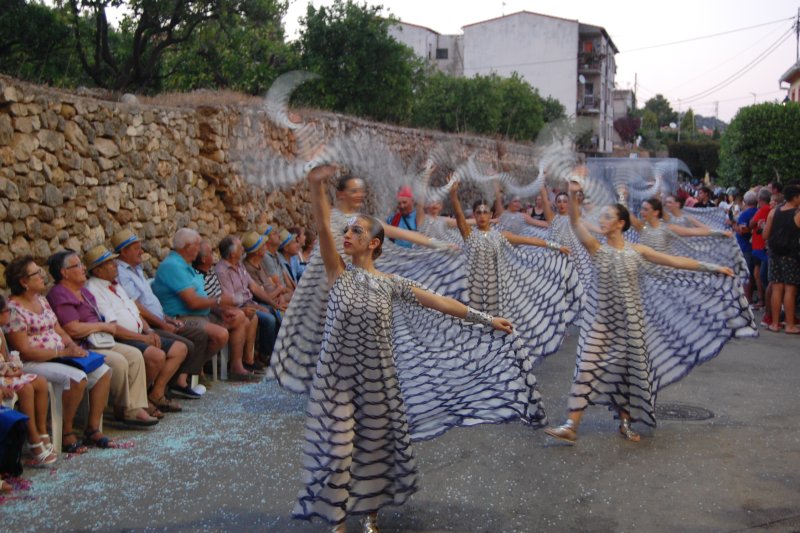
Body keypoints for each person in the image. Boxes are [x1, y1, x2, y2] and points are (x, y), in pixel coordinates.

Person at [291, 165, 541, 532]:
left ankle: (372, 511)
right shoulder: (337, 274)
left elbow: (442, 304)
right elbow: (321, 221)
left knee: (376, 449)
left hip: (378, 378)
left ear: (373, 243)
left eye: (355, 231)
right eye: (346, 230)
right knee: (340, 449)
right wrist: (316, 185)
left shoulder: (392, 284)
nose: (346, 235)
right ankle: (339, 520)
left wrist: (487, 320)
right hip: (337, 380)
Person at [544, 179, 755, 444]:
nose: (602, 220)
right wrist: (573, 198)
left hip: (631, 323)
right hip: (601, 323)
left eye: (607, 217)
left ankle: (624, 422)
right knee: (585, 368)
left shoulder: (637, 251)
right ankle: (570, 425)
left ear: (620, 224)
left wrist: (713, 268)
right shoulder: (597, 249)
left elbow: (674, 261)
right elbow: (575, 224)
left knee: (627, 374)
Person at [448, 180, 581, 358]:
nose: (481, 216)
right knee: (475, 319)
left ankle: (499, 354)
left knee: (496, 319)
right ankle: (475, 354)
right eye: (478, 213)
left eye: (485, 212)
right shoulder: (469, 234)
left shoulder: (500, 236)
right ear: (474, 215)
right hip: (474, 286)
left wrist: (554, 247)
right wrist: (453, 195)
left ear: (491, 214)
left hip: (496, 285)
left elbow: (529, 241)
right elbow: (458, 216)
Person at [4, 256, 114, 452]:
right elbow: (24, 350)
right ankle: (66, 433)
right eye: (36, 273)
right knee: (76, 377)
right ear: (23, 282)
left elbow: (59, 329)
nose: (42, 276)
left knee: (103, 371)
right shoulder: (13, 310)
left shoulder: (42, 300)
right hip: (35, 360)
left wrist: (72, 346)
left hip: (59, 355)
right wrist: (60, 352)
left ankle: (92, 428)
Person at [46, 250, 157, 428]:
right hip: (84, 344)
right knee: (119, 361)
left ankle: (133, 408)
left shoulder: (83, 292)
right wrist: (103, 327)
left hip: (99, 340)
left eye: (82, 264)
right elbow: (72, 328)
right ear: (64, 272)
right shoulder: (59, 293)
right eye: (77, 265)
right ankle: (121, 407)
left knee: (135, 355)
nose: (83, 268)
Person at [84, 245, 186, 416]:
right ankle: (134, 402)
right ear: (98, 270)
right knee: (156, 356)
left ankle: (151, 396)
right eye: (109, 263)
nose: (115, 265)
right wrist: (143, 339)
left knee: (180, 349)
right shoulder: (94, 289)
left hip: (138, 334)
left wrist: (148, 331)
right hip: (121, 337)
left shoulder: (114, 285)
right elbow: (113, 327)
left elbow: (135, 311)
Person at [113, 229, 211, 397]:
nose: (142, 252)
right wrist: (162, 325)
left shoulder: (136, 269)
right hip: (148, 324)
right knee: (188, 343)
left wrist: (167, 320)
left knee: (197, 337)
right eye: (137, 248)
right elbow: (136, 307)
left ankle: (167, 388)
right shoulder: (121, 273)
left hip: (160, 319)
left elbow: (150, 304)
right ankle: (160, 391)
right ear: (123, 251)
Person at [151, 228, 231, 389]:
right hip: (180, 317)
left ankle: (192, 373)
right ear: (186, 246)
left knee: (233, 320)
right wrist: (219, 300)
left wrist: (221, 307)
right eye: (197, 245)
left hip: (198, 315)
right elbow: (192, 302)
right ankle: (186, 376)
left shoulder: (183, 264)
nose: (199, 248)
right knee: (220, 334)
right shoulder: (173, 266)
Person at [0, 295, 57, 466]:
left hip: (5, 374)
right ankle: (33, 440)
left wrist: (13, 367)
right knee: (25, 389)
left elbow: (5, 356)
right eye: (5, 312)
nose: (9, 315)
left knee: (39, 381)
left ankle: (42, 431)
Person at [192, 239, 260, 381]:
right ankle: (234, 365)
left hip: (218, 312)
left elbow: (219, 298)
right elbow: (206, 302)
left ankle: (239, 364)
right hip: (208, 315)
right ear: (204, 259)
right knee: (242, 317)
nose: (215, 255)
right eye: (211, 253)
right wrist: (223, 310)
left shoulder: (210, 272)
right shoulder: (198, 276)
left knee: (247, 318)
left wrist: (224, 310)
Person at [215, 235, 280, 377]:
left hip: (249, 303)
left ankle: (250, 359)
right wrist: (254, 308)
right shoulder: (222, 271)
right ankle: (264, 355)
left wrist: (272, 302)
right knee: (267, 318)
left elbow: (254, 288)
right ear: (232, 254)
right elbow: (230, 300)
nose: (243, 249)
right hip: (237, 308)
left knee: (272, 311)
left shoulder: (239, 265)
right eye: (240, 247)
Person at [763, 183, 800, 334]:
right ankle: (790, 325)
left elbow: (765, 235)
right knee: (790, 290)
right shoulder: (797, 214)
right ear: (796, 197)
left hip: (774, 254)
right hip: (791, 255)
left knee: (776, 288)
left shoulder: (773, 211)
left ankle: (775, 323)